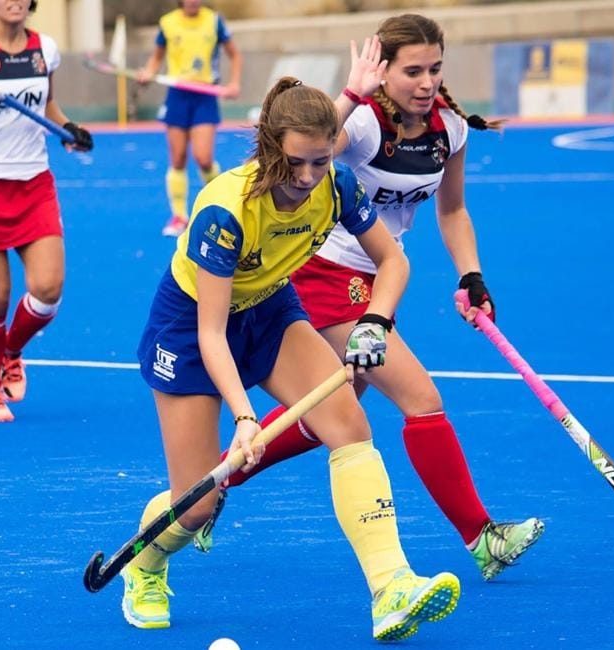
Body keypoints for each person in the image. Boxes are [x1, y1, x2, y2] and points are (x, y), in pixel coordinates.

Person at [122, 77, 460, 641]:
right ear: (268, 146)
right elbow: (211, 333)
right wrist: (245, 416)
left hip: (270, 309)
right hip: (190, 327)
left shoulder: (338, 187)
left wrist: (374, 321)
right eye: (294, 163)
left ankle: (391, 586)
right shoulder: (225, 210)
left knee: (349, 424)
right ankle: (146, 564)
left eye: (320, 162)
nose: (306, 178)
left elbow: (393, 261)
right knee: (198, 504)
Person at [209, 16, 544, 581]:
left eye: (434, 69)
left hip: (380, 276)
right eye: (412, 71)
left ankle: (215, 483)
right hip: (322, 272)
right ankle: (481, 537)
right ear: (384, 71)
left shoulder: (450, 130)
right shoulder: (364, 124)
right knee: (421, 398)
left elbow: (453, 211)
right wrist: (350, 94)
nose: (426, 82)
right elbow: (301, 152)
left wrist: (472, 275)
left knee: (331, 409)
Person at [0, 0, 93, 422]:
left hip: (33, 184)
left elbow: (47, 104)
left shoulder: (46, 48)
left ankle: (9, 351)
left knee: (48, 288)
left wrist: (67, 129)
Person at [136, 0, 242, 237]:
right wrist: (148, 73)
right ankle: (179, 216)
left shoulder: (214, 21)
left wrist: (234, 83)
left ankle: (221, 204)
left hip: (205, 95)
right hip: (177, 95)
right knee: (178, 158)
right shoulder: (168, 23)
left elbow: (234, 54)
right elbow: (157, 58)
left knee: (204, 158)